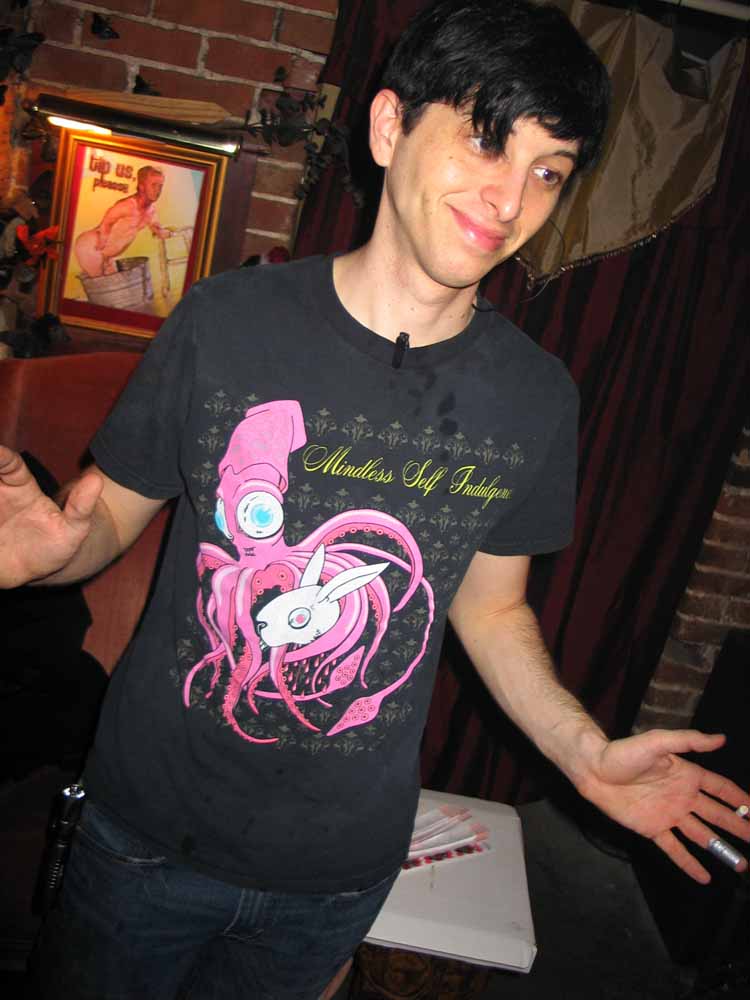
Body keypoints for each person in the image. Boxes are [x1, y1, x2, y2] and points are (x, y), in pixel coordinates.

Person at [1, 2, 748, 997]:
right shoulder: (225, 321)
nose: (510, 197)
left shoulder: (535, 398)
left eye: (548, 171)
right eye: (487, 139)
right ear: (391, 125)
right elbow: (107, 513)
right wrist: (54, 549)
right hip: (144, 837)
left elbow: (492, 608)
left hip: (334, 876)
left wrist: (583, 751)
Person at [74, 164, 171, 277]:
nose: (158, 190)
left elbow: (156, 227)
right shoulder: (128, 205)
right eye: (154, 185)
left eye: (160, 186)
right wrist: (103, 239)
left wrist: (162, 232)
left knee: (114, 283)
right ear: (141, 187)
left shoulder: (151, 211)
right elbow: (108, 221)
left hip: (106, 255)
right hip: (91, 246)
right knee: (102, 282)